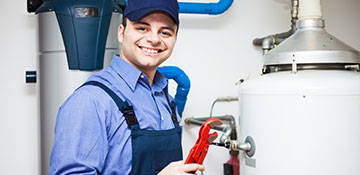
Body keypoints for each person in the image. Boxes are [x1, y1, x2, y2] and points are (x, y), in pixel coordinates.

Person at [49, 0, 205, 174]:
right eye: (142, 28)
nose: (154, 39)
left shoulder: (166, 100)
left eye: (165, 32)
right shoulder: (91, 101)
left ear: (175, 39)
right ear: (121, 33)